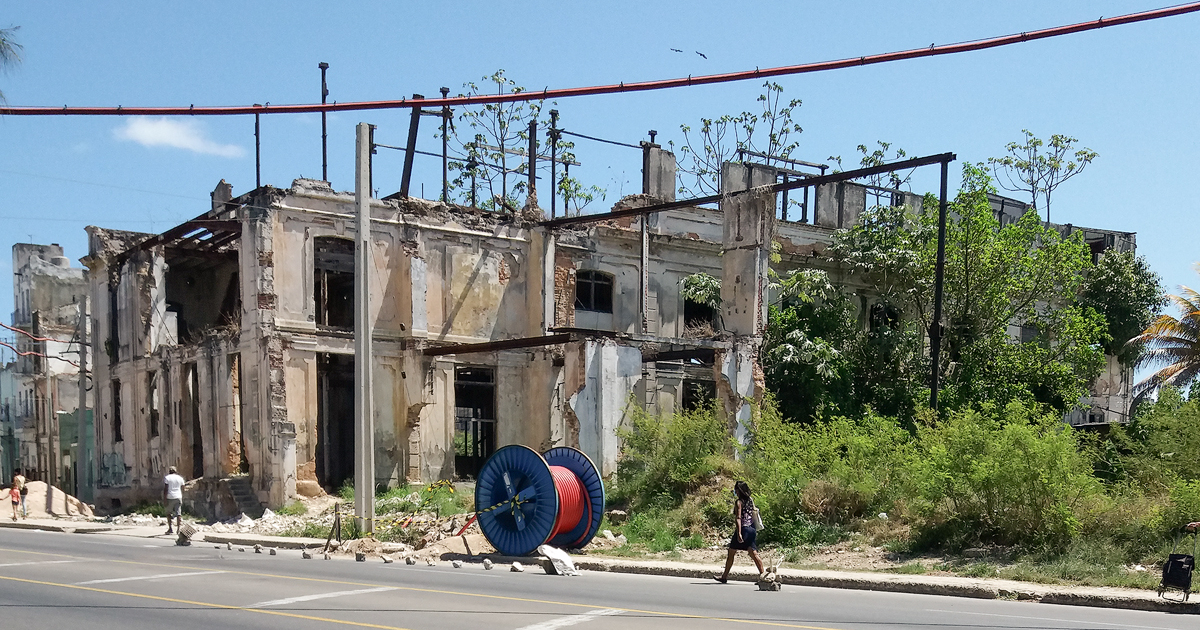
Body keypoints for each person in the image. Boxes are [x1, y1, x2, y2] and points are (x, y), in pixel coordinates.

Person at [715, 480, 765, 583]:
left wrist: (739, 533)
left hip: (744, 529)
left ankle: (724, 577)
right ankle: (763, 576)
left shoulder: (739, 502)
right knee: (753, 553)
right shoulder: (750, 500)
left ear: (739, 490)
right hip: (752, 529)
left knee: (731, 552)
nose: (735, 492)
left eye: (736, 490)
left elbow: (738, 518)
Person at [163, 466, 185, 535]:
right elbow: (183, 488)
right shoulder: (180, 478)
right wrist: (181, 494)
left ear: (169, 471)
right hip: (178, 497)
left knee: (168, 513)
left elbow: (166, 489)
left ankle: (170, 528)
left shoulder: (167, 478)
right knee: (178, 514)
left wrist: (164, 499)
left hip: (170, 497)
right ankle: (178, 529)